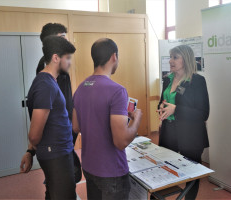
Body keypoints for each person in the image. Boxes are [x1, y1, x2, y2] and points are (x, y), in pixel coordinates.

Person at [72, 38, 143, 200]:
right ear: (114, 57)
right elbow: (121, 141)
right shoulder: (117, 91)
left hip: (89, 167)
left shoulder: (81, 87)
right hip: (111, 172)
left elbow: (76, 126)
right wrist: (136, 119)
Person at [20, 23, 81, 180]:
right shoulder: (48, 72)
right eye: (63, 39)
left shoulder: (57, 68)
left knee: (58, 187)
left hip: (62, 140)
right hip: (56, 145)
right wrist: (31, 149)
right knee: (63, 185)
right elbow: (43, 112)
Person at [157, 45, 210, 200]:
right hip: (169, 133)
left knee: (191, 175)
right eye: (170, 57)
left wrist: (176, 109)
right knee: (164, 170)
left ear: (185, 59)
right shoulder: (167, 79)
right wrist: (161, 107)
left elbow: (203, 113)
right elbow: (163, 102)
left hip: (191, 135)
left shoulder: (198, 81)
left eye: (175, 57)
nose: (170, 61)